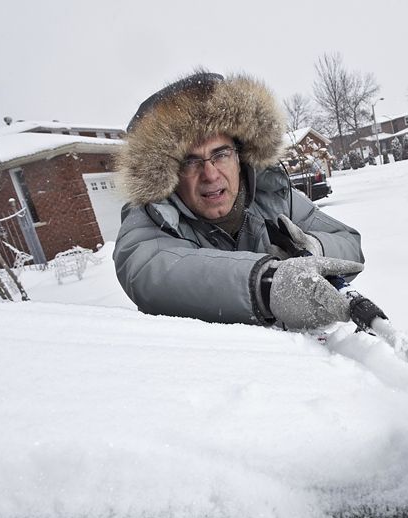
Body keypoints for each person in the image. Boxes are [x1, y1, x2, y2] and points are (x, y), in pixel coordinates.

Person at [113, 71, 365, 330]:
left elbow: (349, 242)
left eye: (220, 154)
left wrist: (315, 249)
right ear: (169, 175)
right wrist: (267, 284)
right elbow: (151, 272)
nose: (210, 174)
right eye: (190, 162)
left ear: (240, 156)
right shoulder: (150, 219)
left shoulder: (273, 198)